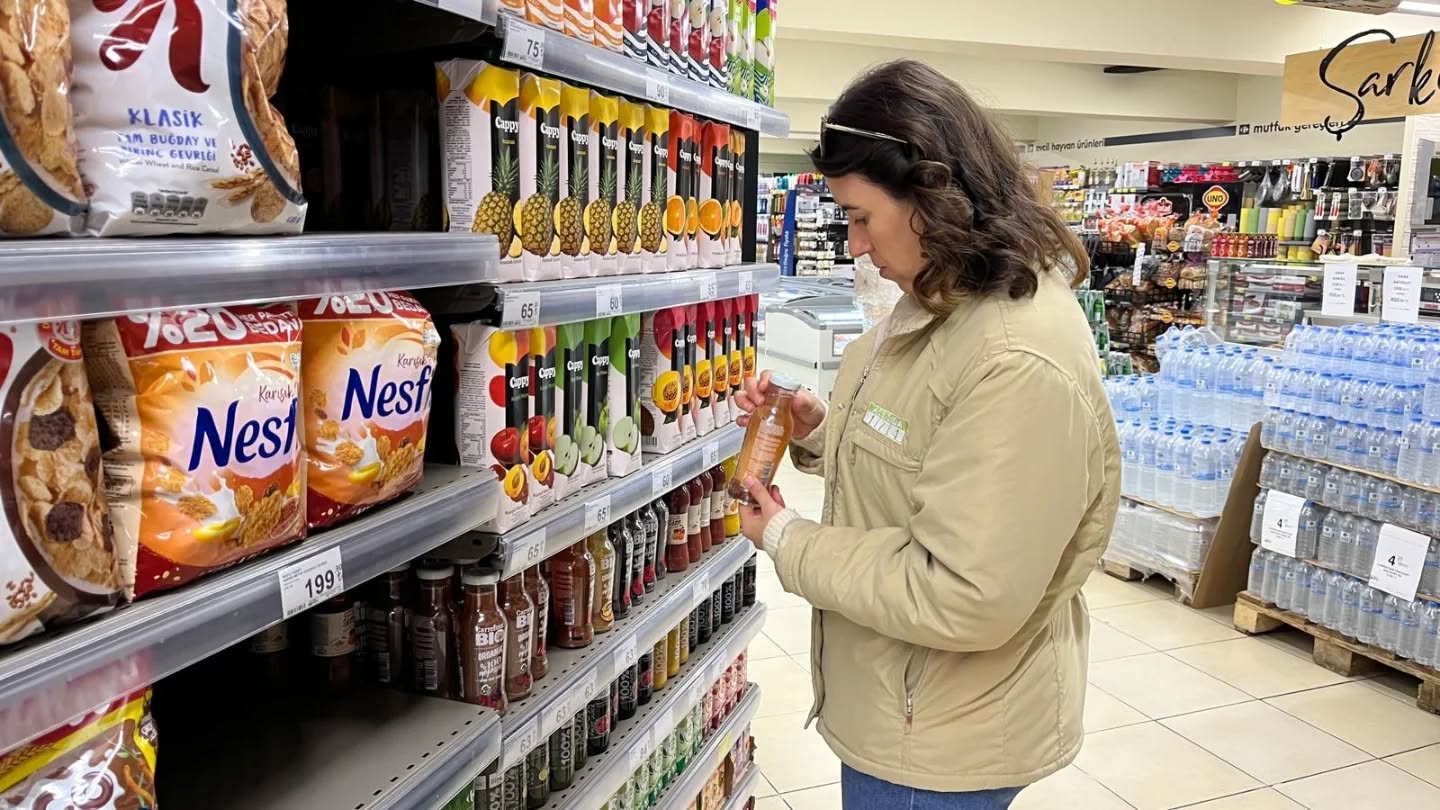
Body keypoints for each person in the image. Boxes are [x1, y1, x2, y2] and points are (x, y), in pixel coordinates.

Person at [733, 59, 1120, 810]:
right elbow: (927, 450)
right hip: (909, 700)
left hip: (941, 739)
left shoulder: (1014, 356)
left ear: (932, 198)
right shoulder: (947, 294)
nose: (854, 244)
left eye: (860, 217)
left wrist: (785, 537)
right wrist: (819, 431)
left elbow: (963, 591)